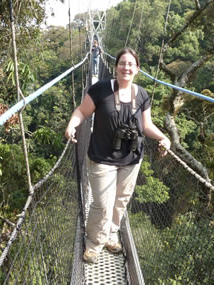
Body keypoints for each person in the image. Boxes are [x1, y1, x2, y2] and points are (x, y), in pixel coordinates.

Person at [65, 48, 171, 263]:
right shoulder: (101, 89)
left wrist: (164, 137)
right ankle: (94, 243)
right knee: (102, 204)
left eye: (131, 64)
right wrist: (72, 125)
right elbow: (82, 112)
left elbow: (147, 125)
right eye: (122, 63)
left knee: (120, 201)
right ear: (115, 67)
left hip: (131, 159)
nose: (126, 68)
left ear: (137, 69)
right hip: (102, 157)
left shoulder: (141, 95)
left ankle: (111, 234)